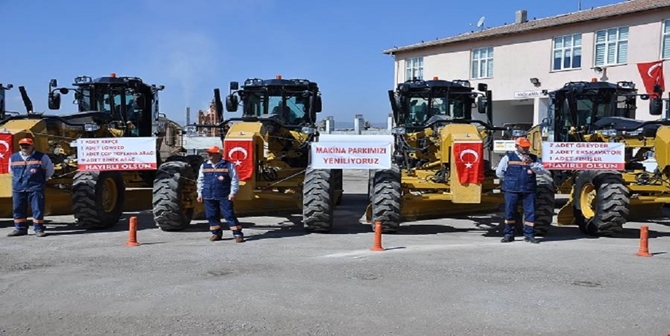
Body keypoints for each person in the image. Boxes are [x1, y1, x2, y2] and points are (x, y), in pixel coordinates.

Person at [495, 136, 549, 244]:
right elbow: (499, 172)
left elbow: (542, 171)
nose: (525, 149)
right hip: (511, 189)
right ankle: (509, 234)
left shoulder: (533, 158)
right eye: (523, 147)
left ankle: (529, 235)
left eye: (527, 147)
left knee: (530, 212)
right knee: (510, 212)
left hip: (528, 189)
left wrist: (531, 164)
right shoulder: (508, 157)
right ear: (517, 146)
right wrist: (509, 180)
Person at [7, 137, 55, 237]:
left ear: (32, 146)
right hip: (18, 187)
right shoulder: (13, 157)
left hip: (35, 187)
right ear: (19, 146)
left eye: (27, 145)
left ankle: (38, 229)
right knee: (18, 208)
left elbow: (49, 170)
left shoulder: (41, 157)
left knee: (37, 208)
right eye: (22, 145)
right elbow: (11, 171)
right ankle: (20, 228)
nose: (25, 147)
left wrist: (41, 180)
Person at [196, 146, 245, 243]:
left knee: (229, 214)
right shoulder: (204, 166)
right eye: (208, 153)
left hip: (224, 194)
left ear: (218, 154)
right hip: (208, 194)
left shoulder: (228, 165)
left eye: (211, 153)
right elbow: (200, 180)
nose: (209, 155)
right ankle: (216, 233)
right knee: (211, 215)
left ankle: (237, 234)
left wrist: (233, 192)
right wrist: (200, 193)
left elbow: (234, 179)